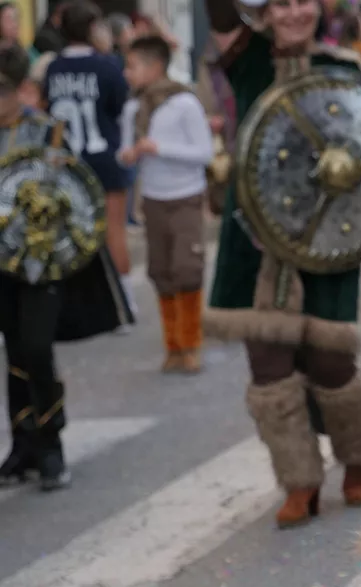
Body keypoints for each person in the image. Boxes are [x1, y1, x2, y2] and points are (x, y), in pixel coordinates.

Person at [202, 0, 361, 529]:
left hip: (327, 234)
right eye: (282, 3)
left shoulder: (344, 69)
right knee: (269, 367)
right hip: (253, 241)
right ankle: (300, 480)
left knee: (329, 363)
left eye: (304, 0)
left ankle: (354, 458)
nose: (294, 12)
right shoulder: (247, 57)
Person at [0, 43, 133, 490]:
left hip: (43, 262)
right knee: (14, 349)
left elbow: (74, 196)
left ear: (22, 90)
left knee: (36, 347)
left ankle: (51, 442)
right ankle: (23, 445)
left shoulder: (47, 133)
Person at [118, 34, 213, 374]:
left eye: (132, 66)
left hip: (185, 196)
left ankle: (191, 343)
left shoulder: (184, 103)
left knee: (187, 269)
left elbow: (204, 153)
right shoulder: (134, 107)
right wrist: (129, 155)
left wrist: (158, 148)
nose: (126, 73)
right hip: (153, 199)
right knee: (161, 271)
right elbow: (125, 150)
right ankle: (172, 345)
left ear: (154, 67)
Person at [43, 0, 133, 303]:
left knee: (71, 233)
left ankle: (78, 302)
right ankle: (124, 300)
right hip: (105, 158)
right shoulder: (107, 67)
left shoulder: (53, 68)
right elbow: (121, 109)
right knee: (114, 231)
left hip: (66, 162)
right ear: (94, 28)